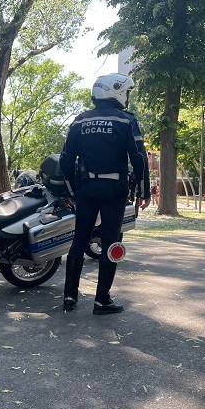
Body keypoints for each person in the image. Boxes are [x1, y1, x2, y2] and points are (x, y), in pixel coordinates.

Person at [60, 73, 147, 315]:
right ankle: (102, 300)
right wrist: (142, 190)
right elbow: (138, 158)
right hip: (114, 190)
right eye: (126, 92)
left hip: (86, 189)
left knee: (79, 239)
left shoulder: (79, 121)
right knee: (110, 242)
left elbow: (66, 159)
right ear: (116, 91)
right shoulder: (126, 120)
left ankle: (69, 297)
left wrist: (73, 190)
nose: (127, 97)